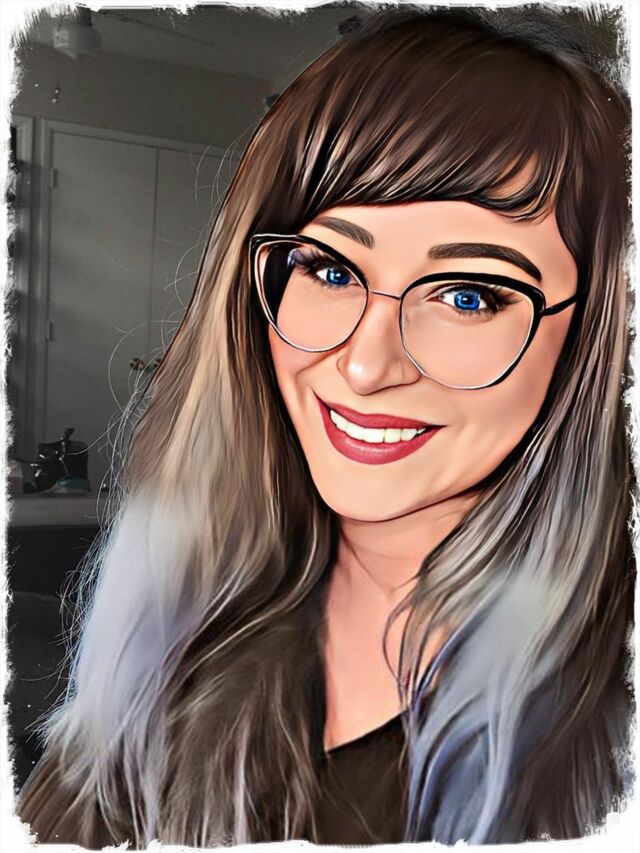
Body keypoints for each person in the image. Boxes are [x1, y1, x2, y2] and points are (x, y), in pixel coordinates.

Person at [16, 7, 634, 847]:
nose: (366, 365)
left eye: (468, 294)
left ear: (592, 336)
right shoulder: (177, 619)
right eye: (331, 269)